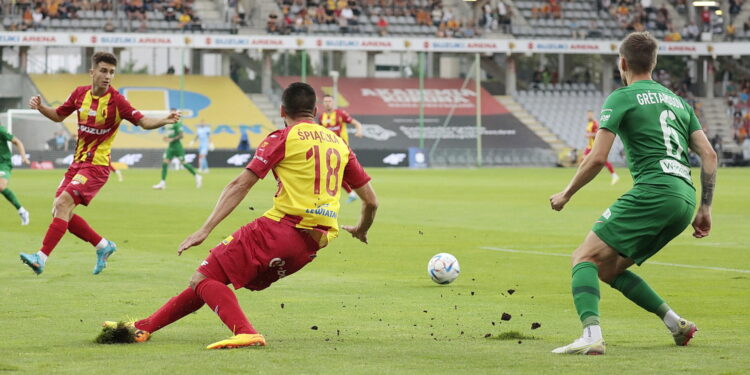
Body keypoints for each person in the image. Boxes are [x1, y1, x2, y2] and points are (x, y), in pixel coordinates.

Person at [98, 82, 378, 349]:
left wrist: (204, 230)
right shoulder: (339, 144)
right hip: (312, 245)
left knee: (202, 278)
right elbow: (371, 201)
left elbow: (240, 185)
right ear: (315, 112)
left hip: (280, 229)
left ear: (282, 112)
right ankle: (144, 327)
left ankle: (246, 332)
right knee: (210, 279)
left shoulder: (283, 137)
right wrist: (362, 229)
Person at [549, 32, 717, 355]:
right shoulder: (679, 103)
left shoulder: (622, 97)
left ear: (622, 63)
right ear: (654, 63)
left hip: (654, 191)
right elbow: (709, 155)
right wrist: (705, 208)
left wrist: (566, 193)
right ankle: (676, 324)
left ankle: (591, 334)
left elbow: (598, 158)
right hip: (684, 200)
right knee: (609, 268)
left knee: (583, 257)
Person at [20, 51, 181, 275]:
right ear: (92, 71)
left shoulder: (117, 100)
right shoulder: (79, 94)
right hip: (77, 164)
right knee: (59, 209)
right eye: (103, 71)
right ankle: (103, 246)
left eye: (112, 72)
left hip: (96, 167)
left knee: (63, 204)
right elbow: (58, 115)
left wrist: (164, 119)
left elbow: (142, 121)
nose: (108, 76)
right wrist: (40, 107)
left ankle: (41, 258)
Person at [318, 94, 363, 203]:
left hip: (341, 148)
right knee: (333, 172)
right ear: (323, 103)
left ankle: (350, 193)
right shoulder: (321, 117)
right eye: (325, 101)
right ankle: (351, 193)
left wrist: (359, 130)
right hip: (327, 149)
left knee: (332, 171)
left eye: (329, 101)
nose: (327, 103)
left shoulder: (340, 114)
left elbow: (356, 123)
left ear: (333, 102)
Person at [152, 111, 202, 190]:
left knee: (184, 163)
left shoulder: (177, 124)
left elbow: (181, 135)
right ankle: (162, 183)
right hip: (170, 147)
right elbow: (167, 133)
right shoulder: (168, 124)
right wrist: (166, 138)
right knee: (165, 163)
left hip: (177, 147)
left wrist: (172, 139)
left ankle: (197, 176)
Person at [0, 123, 31, 225]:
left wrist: (23, 157)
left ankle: (22, 211)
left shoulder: (1, 131)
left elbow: (17, 142)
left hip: (3, 163)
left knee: (1, 186)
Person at [584, 110, 619, 185]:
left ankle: (614, 175)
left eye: (590, 114)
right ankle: (587, 176)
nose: (589, 116)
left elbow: (598, 133)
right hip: (589, 146)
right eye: (588, 114)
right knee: (584, 160)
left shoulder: (594, 123)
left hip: (594, 146)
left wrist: (589, 135)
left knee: (602, 161)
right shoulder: (589, 123)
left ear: (592, 115)